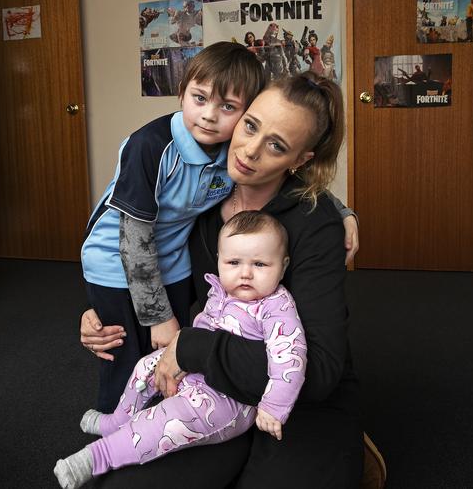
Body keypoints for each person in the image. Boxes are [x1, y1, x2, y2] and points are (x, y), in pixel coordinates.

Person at [80, 71, 363, 488]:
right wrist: (102, 310)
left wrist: (193, 346)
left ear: (299, 160)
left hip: (295, 394)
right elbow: (153, 266)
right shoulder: (204, 197)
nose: (249, 150)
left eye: (276, 145)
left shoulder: (315, 222)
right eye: (250, 125)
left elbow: (319, 373)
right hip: (210, 389)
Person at [55, 211, 306, 489]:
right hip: (195, 371)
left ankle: (98, 457)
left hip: (227, 401)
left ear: (282, 268)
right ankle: (117, 421)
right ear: (220, 260)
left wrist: (274, 406)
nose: (245, 273)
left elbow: (290, 357)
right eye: (234, 262)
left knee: (164, 421)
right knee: (144, 367)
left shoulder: (275, 306)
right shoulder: (220, 290)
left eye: (260, 264)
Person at [82, 41, 265, 413]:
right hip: (116, 262)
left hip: (173, 261)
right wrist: (159, 316)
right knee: (129, 366)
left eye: (228, 107)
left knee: (174, 360)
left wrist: (342, 213)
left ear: (246, 114)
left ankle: (167, 429)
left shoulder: (234, 148)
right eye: (199, 98)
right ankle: (114, 442)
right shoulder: (149, 146)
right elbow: (133, 242)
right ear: (182, 93)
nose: (210, 116)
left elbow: (287, 173)